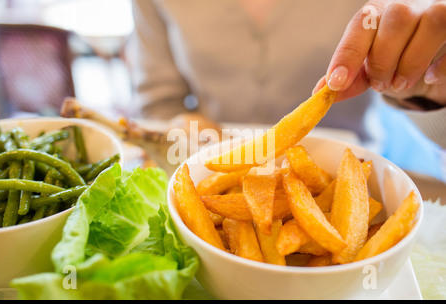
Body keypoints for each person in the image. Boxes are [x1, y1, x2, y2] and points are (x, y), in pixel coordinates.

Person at [126, 0, 446, 181]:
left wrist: (429, 86)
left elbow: (437, 130)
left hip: (352, 174)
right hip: (212, 174)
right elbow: (159, 105)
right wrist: (189, 136)